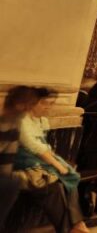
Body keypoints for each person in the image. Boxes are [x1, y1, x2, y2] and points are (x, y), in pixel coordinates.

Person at [14, 87, 89, 232]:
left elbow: (46, 147)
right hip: (22, 165)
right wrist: (57, 165)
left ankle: (75, 225)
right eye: (44, 103)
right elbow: (35, 147)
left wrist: (61, 163)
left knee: (70, 177)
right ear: (31, 103)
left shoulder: (40, 120)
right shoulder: (20, 120)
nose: (48, 107)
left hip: (37, 163)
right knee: (55, 185)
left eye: (50, 103)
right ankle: (72, 227)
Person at [1, 86, 37, 227]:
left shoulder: (14, 123)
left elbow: (6, 163)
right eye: (29, 107)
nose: (29, 112)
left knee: (11, 182)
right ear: (19, 105)